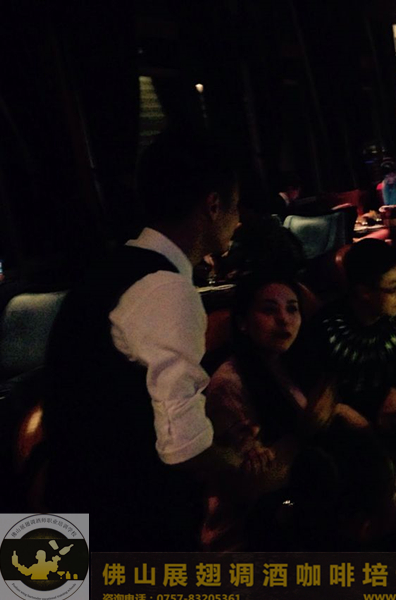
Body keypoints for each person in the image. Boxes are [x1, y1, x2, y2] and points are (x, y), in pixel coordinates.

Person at [44, 127, 254, 551]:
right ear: (213, 205)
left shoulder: (114, 269)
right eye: (236, 206)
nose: (239, 219)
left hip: (65, 515)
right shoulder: (165, 289)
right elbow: (185, 449)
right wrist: (250, 469)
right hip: (126, 527)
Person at [201, 272, 364, 551]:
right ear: (242, 322)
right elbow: (251, 483)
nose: (284, 319)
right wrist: (306, 430)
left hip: (308, 514)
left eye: (292, 309)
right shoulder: (228, 385)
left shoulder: (290, 363)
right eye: (269, 310)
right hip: (252, 537)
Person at [308, 239, 396, 426]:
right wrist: (342, 411)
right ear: (364, 292)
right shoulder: (325, 328)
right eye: (393, 288)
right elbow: (320, 396)